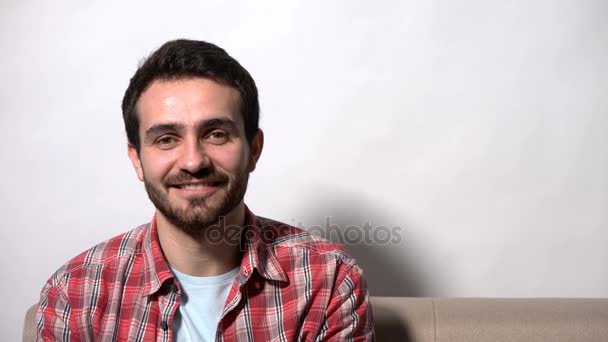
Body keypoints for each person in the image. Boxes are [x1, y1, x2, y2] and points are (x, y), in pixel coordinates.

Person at [36, 39, 374, 341]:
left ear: (253, 150)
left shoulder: (328, 280)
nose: (194, 162)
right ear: (137, 159)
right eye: (166, 139)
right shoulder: (75, 293)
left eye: (216, 134)